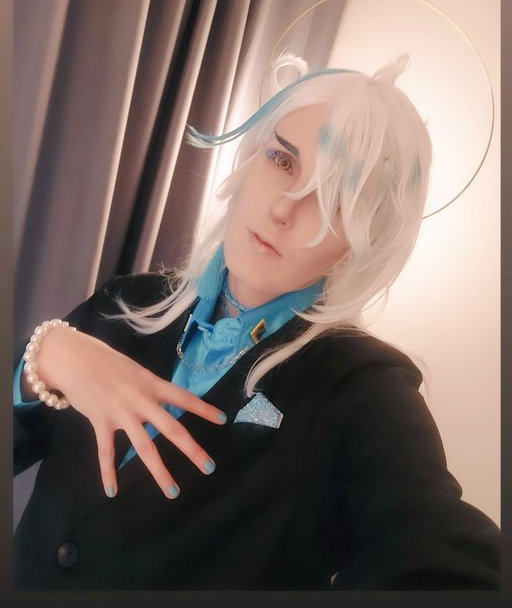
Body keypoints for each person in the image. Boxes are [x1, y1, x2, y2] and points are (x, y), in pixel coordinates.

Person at [13, 53, 500, 590]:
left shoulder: (362, 389)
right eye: (283, 161)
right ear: (249, 158)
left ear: (362, 242)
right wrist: (45, 359)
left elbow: (446, 566)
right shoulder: (127, 302)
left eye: (335, 199)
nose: (284, 208)